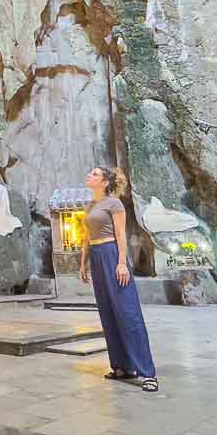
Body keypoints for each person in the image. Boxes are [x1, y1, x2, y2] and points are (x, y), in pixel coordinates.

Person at [79, 166, 158, 392]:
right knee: (108, 312)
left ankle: (147, 372)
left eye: (94, 173)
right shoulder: (90, 205)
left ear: (105, 182)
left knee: (127, 311)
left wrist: (122, 263)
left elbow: (120, 234)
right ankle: (122, 366)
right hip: (96, 257)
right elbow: (87, 236)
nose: (89, 176)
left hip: (112, 255)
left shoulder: (114, 203)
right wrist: (83, 263)